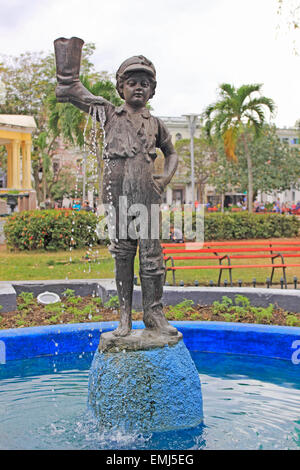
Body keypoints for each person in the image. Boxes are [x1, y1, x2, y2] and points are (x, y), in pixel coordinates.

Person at [54, 37, 179, 337]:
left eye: (145, 84)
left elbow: (172, 153)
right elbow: (75, 93)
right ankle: (124, 316)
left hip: (146, 193)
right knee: (122, 253)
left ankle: (153, 313)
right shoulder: (109, 113)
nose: (139, 88)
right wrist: (68, 74)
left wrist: (164, 179)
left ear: (152, 90)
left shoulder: (156, 123)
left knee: (152, 257)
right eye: (132, 82)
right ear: (120, 87)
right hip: (118, 192)